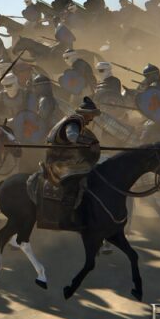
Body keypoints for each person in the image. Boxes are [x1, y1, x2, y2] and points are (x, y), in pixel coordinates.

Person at [41, 97, 102, 229]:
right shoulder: (74, 122)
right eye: (91, 115)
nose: (92, 118)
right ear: (86, 113)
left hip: (63, 159)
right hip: (57, 162)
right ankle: (65, 219)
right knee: (74, 181)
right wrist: (90, 142)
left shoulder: (76, 121)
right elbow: (72, 137)